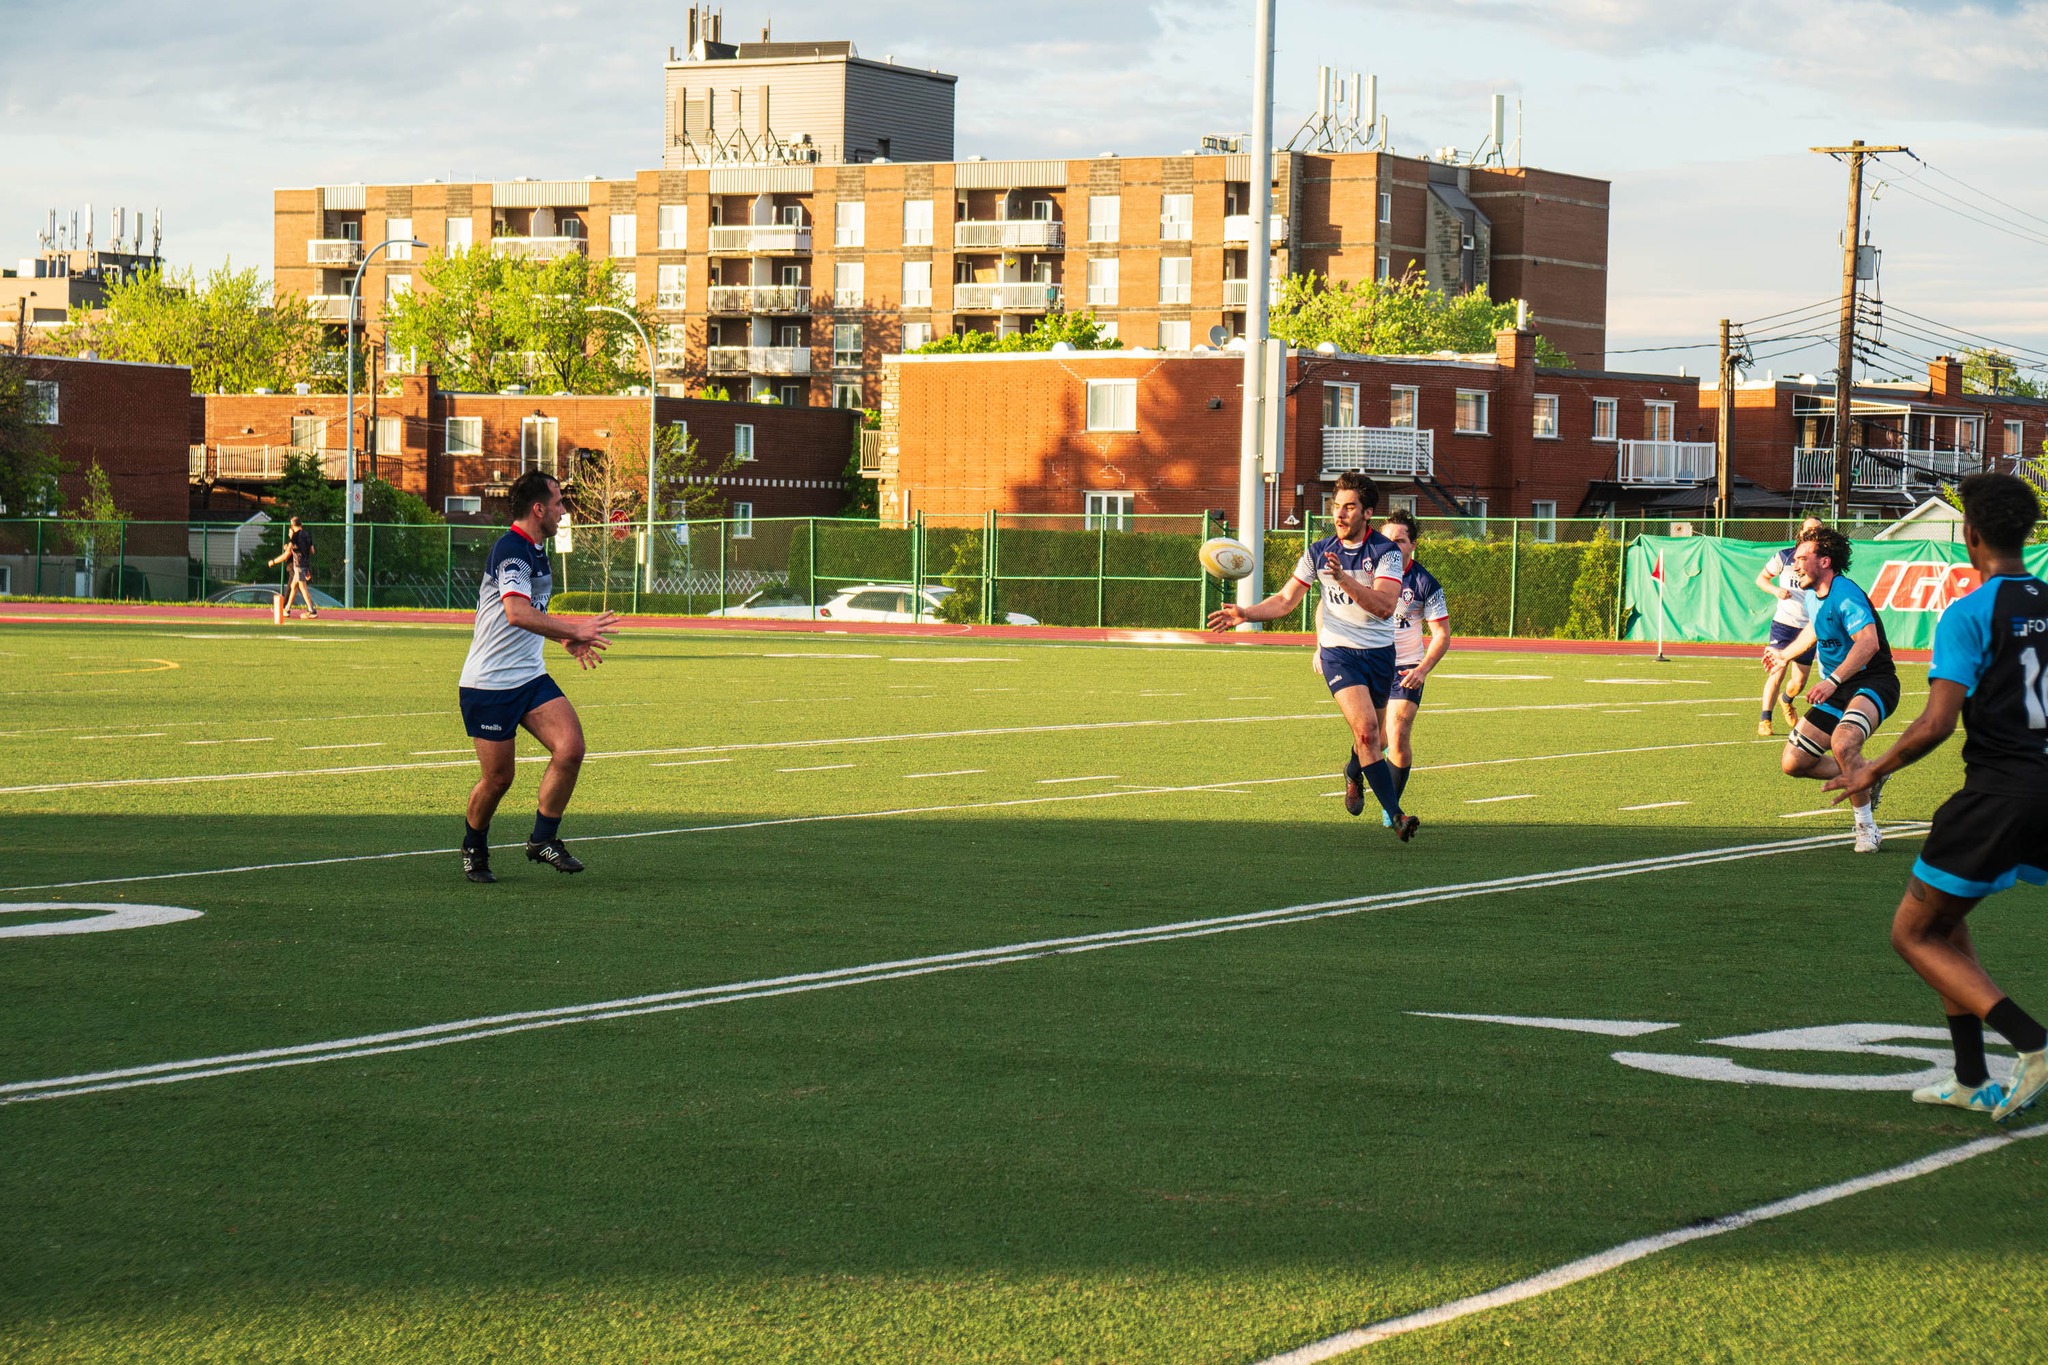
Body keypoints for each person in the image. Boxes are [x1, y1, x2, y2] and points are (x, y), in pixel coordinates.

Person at [1826, 473, 2048, 1122]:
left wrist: (1873, 769)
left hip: (1998, 793)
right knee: (1948, 918)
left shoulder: (1969, 611)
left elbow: (1936, 723)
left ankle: (2032, 1042)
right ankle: (1970, 1076)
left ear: (1970, 536)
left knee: (1913, 931)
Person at [1209, 471, 1418, 840]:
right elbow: (1286, 600)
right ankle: (1397, 816)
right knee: (1368, 733)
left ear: (1368, 512)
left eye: (1349, 507)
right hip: (1340, 654)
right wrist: (1246, 613)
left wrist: (1345, 580)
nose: (1340, 514)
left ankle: (1353, 772)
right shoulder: (1318, 551)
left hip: (1380, 655)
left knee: (1377, 741)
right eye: (1336, 506)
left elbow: (1385, 607)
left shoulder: (1384, 554)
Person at [457, 469, 620, 883]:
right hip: (489, 684)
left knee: (570, 748)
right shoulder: (513, 550)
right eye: (560, 502)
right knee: (499, 778)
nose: (564, 511)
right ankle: (474, 846)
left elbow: (531, 615)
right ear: (538, 508)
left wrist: (562, 641)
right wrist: (574, 630)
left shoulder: (536, 549)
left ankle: (542, 839)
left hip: (529, 678)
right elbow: (514, 612)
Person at [1763, 524, 1898, 853]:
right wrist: (1784, 655)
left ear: (1824, 562)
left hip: (1872, 680)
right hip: (1837, 686)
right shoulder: (1812, 594)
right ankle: (1870, 774)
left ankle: (1866, 828)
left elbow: (1867, 643)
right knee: (1794, 763)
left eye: (1802, 558)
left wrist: (1832, 680)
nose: (1795, 565)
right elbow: (1815, 628)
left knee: (1844, 742)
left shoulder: (1846, 593)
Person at [1376, 509, 1450, 827]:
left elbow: (1442, 634)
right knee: (1372, 739)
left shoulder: (1425, 583)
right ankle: (1353, 774)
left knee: (1398, 735)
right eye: (1386, 539)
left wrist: (1422, 669)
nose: (1392, 545)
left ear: (1412, 545)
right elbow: (1329, 608)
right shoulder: (1366, 575)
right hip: (1370, 663)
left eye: (1399, 539)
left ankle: (1391, 810)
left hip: (1407, 668)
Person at [1755, 516, 1824, 736]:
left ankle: (1787, 699)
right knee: (1777, 670)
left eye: (1818, 530)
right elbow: (1761, 579)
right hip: (1784, 624)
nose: (1814, 533)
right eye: (1810, 530)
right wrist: (1776, 591)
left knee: (1799, 681)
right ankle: (1765, 720)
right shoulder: (1785, 557)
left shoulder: (1823, 561)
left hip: (1808, 629)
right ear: (1801, 532)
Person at [266, 515, 318, 620]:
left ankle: (311, 610)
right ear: (301, 524)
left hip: (299, 565)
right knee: (294, 586)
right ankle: (287, 608)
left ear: (292, 525)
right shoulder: (307, 535)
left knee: (303, 588)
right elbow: (312, 551)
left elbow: (286, 555)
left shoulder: (295, 536)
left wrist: (273, 561)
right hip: (305, 564)